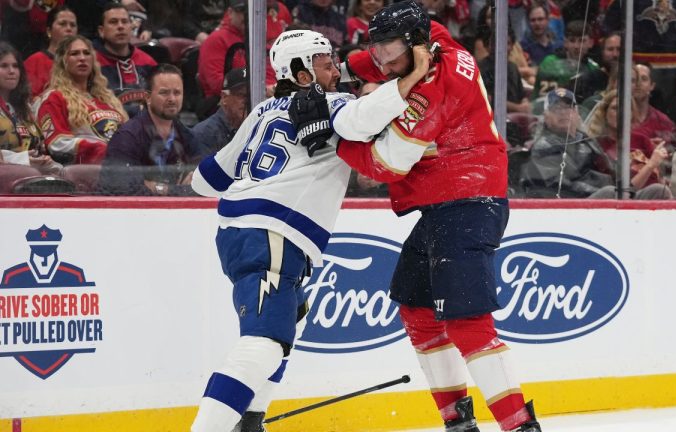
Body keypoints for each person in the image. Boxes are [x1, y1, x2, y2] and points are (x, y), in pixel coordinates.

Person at [313, 2, 543, 430]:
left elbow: (385, 165)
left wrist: (330, 137)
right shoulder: (435, 39)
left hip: (468, 201)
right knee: (416, 306)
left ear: (418, 48)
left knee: (467, 321)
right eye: (377, 49)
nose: (383, 62)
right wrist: (338, 70)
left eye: (391, 51)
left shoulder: (431, 92)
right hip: (447, 204)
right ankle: (458, 420)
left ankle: (520, 426)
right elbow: (383, 50)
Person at [188, 28, 429, 432]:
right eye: (325, 62)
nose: (335, 69)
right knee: (263, 343)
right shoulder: (331, 105)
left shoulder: (261, 111)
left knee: (290, 317)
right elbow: (364, 118)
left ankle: (249, 420)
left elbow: (204, 180)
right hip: (273, 233)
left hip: (239, 231)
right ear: (301, 72)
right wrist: (413, 76)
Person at [99, 64, 198, 196]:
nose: (172, 99)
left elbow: (204, 187)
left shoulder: (187, 136)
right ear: (147, 97)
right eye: (164, 92)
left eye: (177, 93)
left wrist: (160, 188)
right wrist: (178, 190)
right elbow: (126, 190)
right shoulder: (127, 137)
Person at [36, 35, 127, 165]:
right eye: (74, 54)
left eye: (86, 53)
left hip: (122, 165)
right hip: (85, 171)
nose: (82, 58)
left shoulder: (108, 99)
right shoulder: (54, 98)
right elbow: (57, 144)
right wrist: (99, 149)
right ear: (63, 61)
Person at [519, 88, 612, 198]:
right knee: (610, 192)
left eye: (568, 108)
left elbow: (609, 172)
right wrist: (602, 191)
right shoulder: (544, 146)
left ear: (577, 113)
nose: (563, 113)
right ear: (546, 116)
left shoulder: (586, 141)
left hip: (593, 199)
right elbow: (560, 187)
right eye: (556, 108)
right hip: (565, 205)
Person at [585, 90, 672, 199]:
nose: (621, 113)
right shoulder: (597, 146)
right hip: (616, 203)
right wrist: (651, 164)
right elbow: (623, 191)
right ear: (604, 113)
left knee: (660, 190)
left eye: (626, 109)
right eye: (615, 108)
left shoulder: (642, 140)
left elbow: (661, 180)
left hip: (649, 201)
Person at [0, 42, 60, 176]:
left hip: (34, 180)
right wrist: (22, 160)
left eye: (15, 66)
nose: (12, 71)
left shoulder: (25, 108)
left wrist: (46, 162)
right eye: (4, 66)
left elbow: (40, 150)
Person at [94, 3, 158, 118]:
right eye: (113, 22)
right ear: (101, 31)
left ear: (131, 27)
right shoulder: (91, 63)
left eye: (125, 22)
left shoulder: (148, 62)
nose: (120, 26)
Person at [532, 20, 598, 102]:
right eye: (572, 40)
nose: (576, 46)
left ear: (591, 43)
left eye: (581, 41)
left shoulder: (593, 69)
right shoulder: (549, 63)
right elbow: (542, 98)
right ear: (565, 42)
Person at [192, 67, 249, 157]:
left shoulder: (260, 129)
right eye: (242, 95)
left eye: (251, 96)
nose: (247, 101)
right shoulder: (205, 134)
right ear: (224, 97)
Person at [24, 5, 78, 98]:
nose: (69, 29)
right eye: (62, 24)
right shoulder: (35, 61)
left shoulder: (82, 61)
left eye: (73, 25)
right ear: (49, 31)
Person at [197, 0, 247, 99]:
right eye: (242, 11)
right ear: (230, 13)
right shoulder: (217, 40)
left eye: (250, 12)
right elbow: (216, 84)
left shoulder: (256, 39)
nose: (246, 16)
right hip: (221, 102)